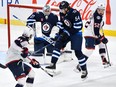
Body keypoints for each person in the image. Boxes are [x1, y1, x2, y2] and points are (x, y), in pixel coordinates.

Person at [45, 1, 88, 79]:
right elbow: (61, 23)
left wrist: (67, 33)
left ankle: (84, 70)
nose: (61, 11)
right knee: (58, 44)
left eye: (62, 9)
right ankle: (53, 64)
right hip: (67, 32)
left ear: (67, 8)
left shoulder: (75, 13)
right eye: (60, 9)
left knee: (78, 53)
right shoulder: (62, 13)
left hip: (76, 34)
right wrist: (58, 34)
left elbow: (78, 26)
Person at [79, 3, 109, 69]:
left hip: (90, 34)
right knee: (90, 50)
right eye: (100, 10)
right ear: (97, 10)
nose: (101, 11)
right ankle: (80, 65)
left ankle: (104, 59)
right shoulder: (98, 17)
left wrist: (101, 38)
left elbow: (96, 29)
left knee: (101, 43)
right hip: (90, 35)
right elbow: (95, 32)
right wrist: (102, 38)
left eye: (103, 10)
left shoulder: (95, 14)